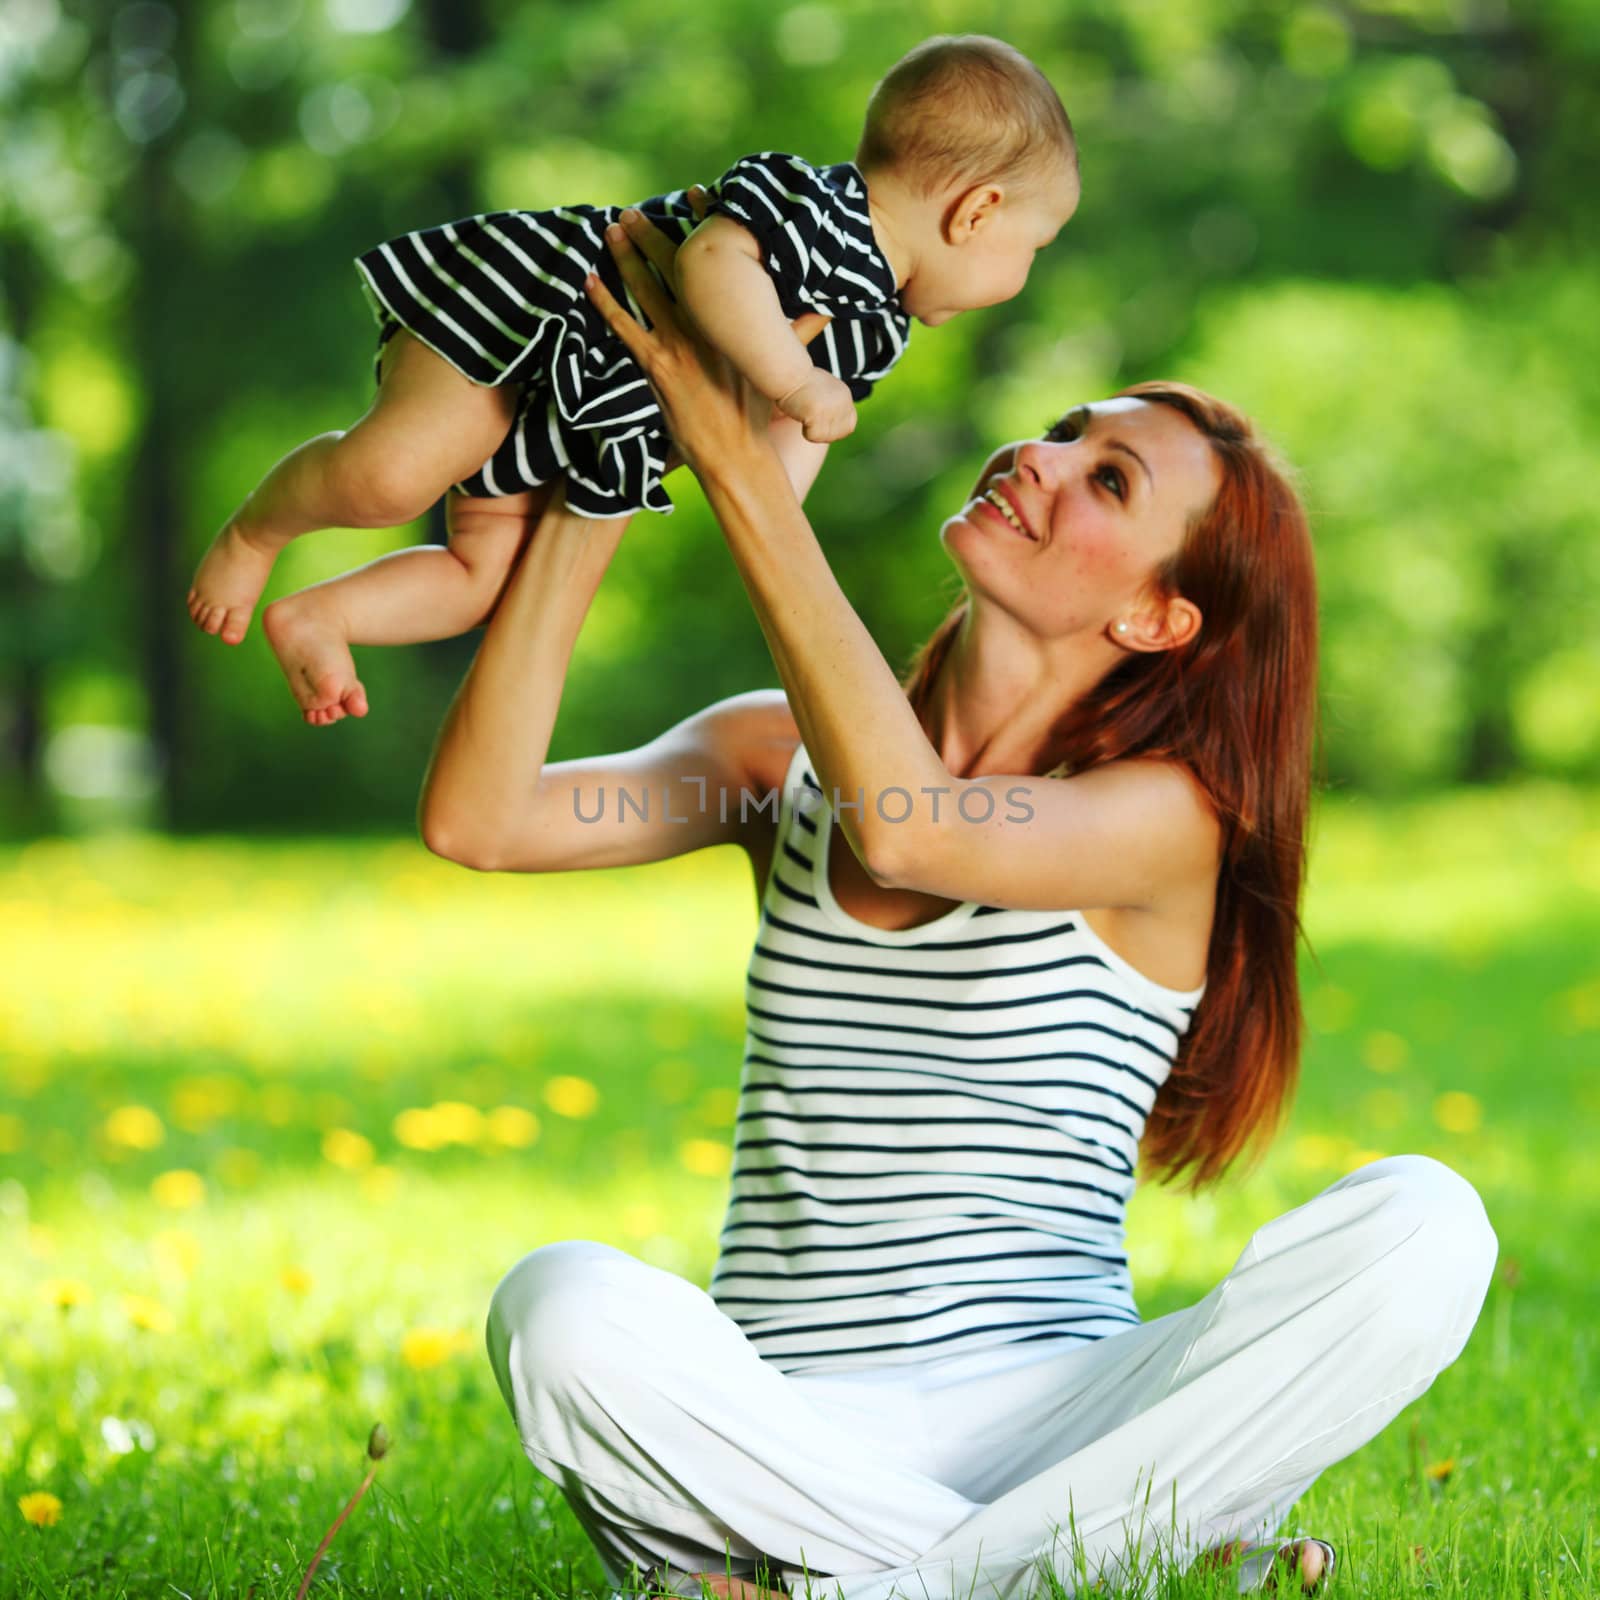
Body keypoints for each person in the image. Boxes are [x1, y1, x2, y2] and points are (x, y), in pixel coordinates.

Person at [418, 213, 1497, 1600]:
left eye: (1106, 479)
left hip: (1066, 1423)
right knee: (559, 1307)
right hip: (790, 1427)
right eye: (1060, 429)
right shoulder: (776, 764)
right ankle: (1070, 1573)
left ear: (1161, 620)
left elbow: (916, 831)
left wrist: (742, 461)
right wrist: (601, 473)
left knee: (1428, 1224)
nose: (1037, 460)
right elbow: (483, 818)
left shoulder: (1167, 819)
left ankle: (868, 1583)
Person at [184, 34, 1079, 729]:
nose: (1025, 276)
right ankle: (258, 535)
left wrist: (769, 517)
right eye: (1033, 250)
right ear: (977, 212)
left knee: (479, 582)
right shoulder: (822, 209)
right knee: (392, 476)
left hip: (571, 422)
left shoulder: (875, 331)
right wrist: (792, 379)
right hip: (528, 325)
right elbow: (714, 266)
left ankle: (320, 617)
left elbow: (780, 453)